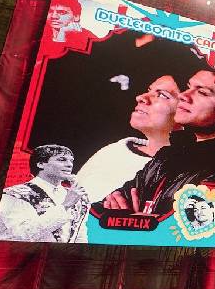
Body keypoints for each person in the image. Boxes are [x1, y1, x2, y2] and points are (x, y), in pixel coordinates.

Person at [100, 68, 215, 215]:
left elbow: (191, 229)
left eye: (202, 92)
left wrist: (144, 222)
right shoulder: (167, 155)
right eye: (188, 87)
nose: (184, 96)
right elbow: (110, 203)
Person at [76, 74, 182, 202]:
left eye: (162, 95)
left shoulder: (185, 171)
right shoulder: (115, 150)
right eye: (149, 91)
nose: (140, 97)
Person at [0, 144, 90, 242]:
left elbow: (79, 236)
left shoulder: (77, 196)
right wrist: (65, 205)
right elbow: (23, 234)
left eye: (71, 160)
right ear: (41, 164)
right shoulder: (13, 194)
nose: (69, 164)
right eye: (61, 159)